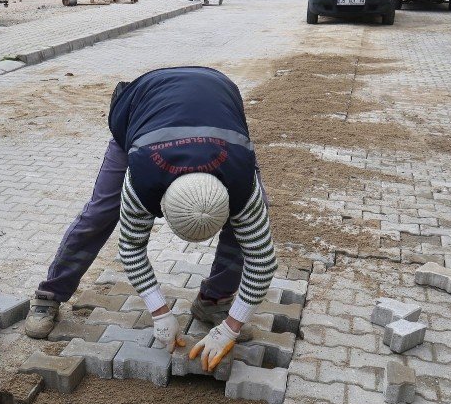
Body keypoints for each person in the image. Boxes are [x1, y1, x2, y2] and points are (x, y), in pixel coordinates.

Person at [25, 67, 278, 372]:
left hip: (219, 107)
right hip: (141, 110)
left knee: (247, 229)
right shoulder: (142, 179)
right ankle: (50, 293)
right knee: (102, 210)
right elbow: (131, 248)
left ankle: (214, 300)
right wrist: (159, 311)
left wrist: (231, 327)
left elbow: (262, 261)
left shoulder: (241, 182)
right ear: (160, 205)